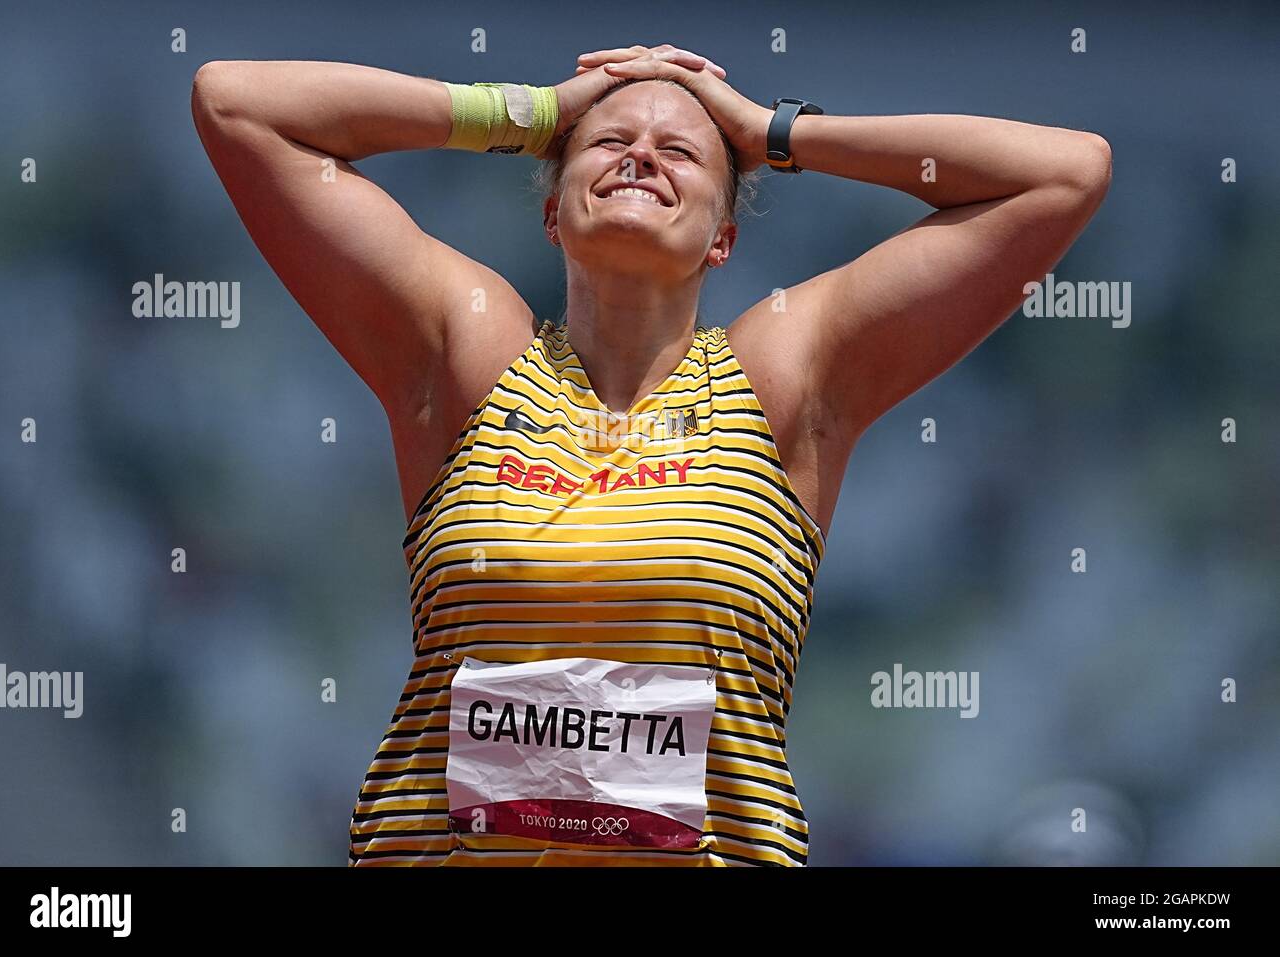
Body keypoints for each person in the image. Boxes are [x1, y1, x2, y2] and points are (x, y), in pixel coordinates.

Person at [190, 43, 1110, 866]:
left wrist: (774, 130)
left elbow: (1064, 175)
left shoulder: (780, 380)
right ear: (552, 212)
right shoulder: (472, 357)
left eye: (682, 152)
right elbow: (237, 103)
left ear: (724, 238)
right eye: (607, 141)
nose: (641, 154)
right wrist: (533, 112)